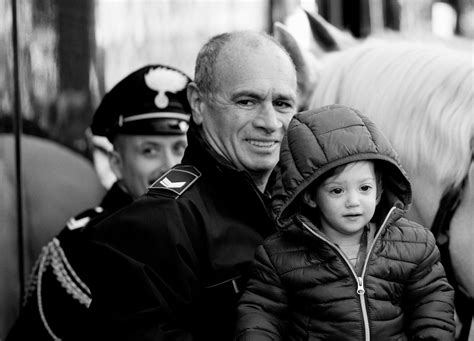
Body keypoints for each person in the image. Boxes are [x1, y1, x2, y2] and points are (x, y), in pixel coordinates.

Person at [74, 31, 298, 340]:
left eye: (283, 103)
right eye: (247, 101)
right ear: (198, 103)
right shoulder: (151, 227)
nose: (270, 121)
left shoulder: (311, 207)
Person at [235, 104, 456, 340]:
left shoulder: (415, 244)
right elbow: (261, 315)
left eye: (364, 188)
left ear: (379, 191)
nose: (353, 201)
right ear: (310, 196)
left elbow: (432, 304)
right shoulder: (279, 255)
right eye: (337, 190)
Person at [6, 64, 192, 341]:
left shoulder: (215, 226)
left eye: (180, 148)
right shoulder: (84, 245)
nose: (169, 166)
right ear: (117, 163)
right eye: (149, 150)